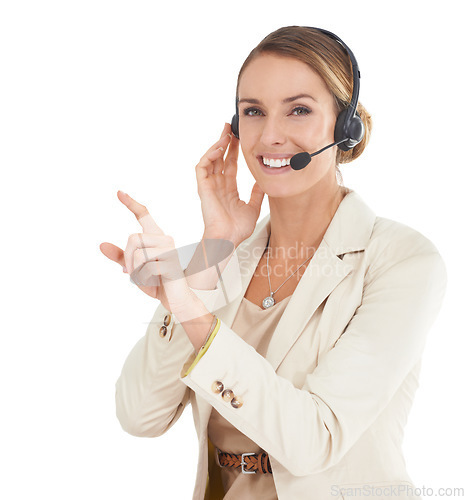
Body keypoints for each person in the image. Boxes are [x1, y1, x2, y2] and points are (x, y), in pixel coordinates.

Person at [102, 26, 448, 500]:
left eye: (299, 110)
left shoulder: (401, 260)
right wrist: (211, 251)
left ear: (345, 127)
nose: (269, 136)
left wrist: (191, 309)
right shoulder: (226, 259)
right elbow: (139, 416)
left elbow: (314, 441)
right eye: (253, 112)